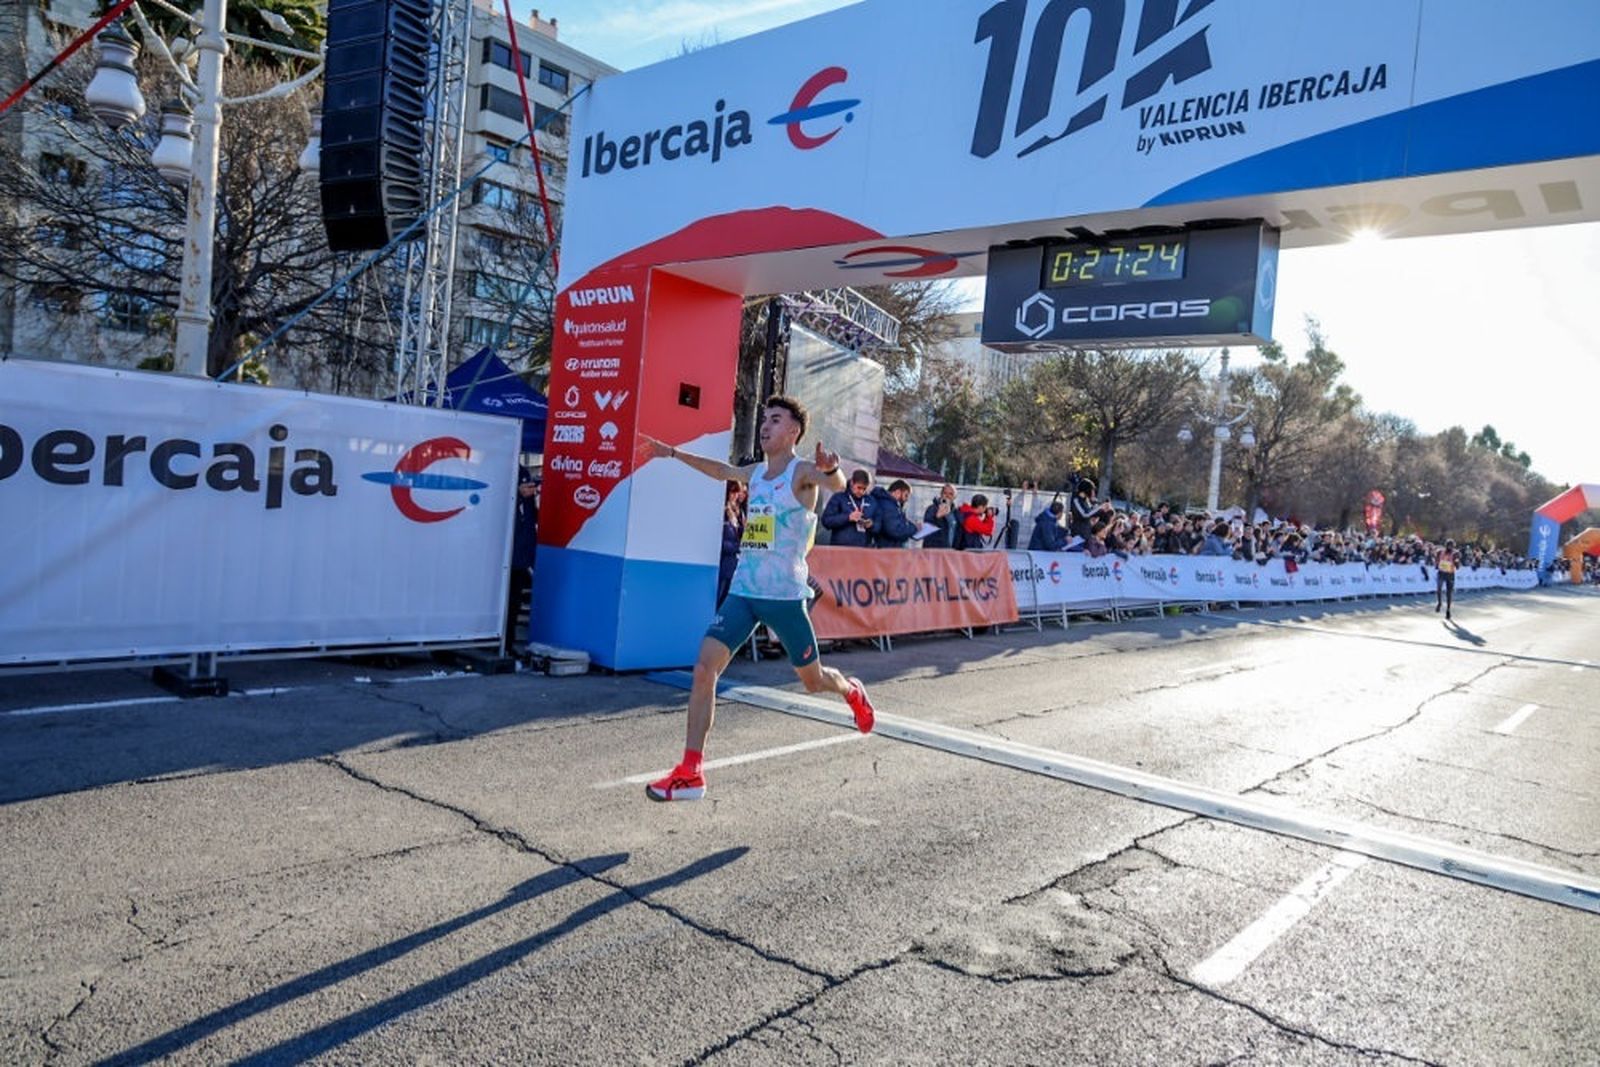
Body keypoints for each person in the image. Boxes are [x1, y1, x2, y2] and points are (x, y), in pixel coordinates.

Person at [639, 396, 876, 802]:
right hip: (744, 591)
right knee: (704, 669)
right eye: (764, 419)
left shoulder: (803, 472)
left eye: (775, 420)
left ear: (793, 431)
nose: (765, 426)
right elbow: (721, 470)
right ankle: (691, 771)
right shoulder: (757, 473)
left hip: (784, 596)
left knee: (814, 682)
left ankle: (850, 690)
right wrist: (673, 453)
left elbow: (836, 485)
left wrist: (831, 469)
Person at [504, 467, 538, 650]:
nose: (528, 488)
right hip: (503, 554)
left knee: (514, 603)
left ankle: (508, 644)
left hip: (520, 557)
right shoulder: (500, 471)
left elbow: (531, 519)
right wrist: (517, 495)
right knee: (504, 601)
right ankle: (500, 643)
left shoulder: (528, 501)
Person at [821, 469, 875, 547]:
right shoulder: (839, 497)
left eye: (864, 489)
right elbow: (826, 521)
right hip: (840, 549)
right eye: (859, 488)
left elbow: (879, 525)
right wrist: (848, 517)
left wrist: (871, 525)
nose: (861, 492)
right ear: (852, 482)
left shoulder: (871, 501)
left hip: (863, 549)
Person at [717, 480, 746, 606]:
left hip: (734, 567)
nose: (735, 495)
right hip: (722, 566)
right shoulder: (720, 510)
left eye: (737, 492)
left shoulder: (738, 512)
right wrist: (737, 547)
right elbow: (718, 542)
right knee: (718, 599)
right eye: (732, 491)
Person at [868, 479, 919, 548]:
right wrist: (914, 528)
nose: (906, 499)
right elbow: (894, 529)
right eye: (906, 495)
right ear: (898, 492)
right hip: (887, 547)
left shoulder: (892, 505)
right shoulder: (887, 505)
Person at [921, 483, 958, 548]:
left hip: (950, 550)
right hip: (934, 549)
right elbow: (927, 528)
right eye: (945, 493)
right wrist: (937, 517)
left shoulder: (956, 512)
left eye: (951, 494)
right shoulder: (932, 509)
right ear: (941, 494)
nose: (947, 496)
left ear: (955, 497)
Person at [1435, 537, 1458, 619]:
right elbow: (1436, 561)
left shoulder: (1455, 554)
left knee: (1449, 593)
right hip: (1441, 573)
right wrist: (1437, 564)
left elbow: (1458, 566)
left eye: (1451, 546)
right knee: (1439, 589)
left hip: (1450, 574)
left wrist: (1456, 562)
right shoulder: (1440, 552)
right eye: (1449, 545)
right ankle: (1439, 603)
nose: (1450, 547)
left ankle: (1448, 610)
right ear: (1446, 545)